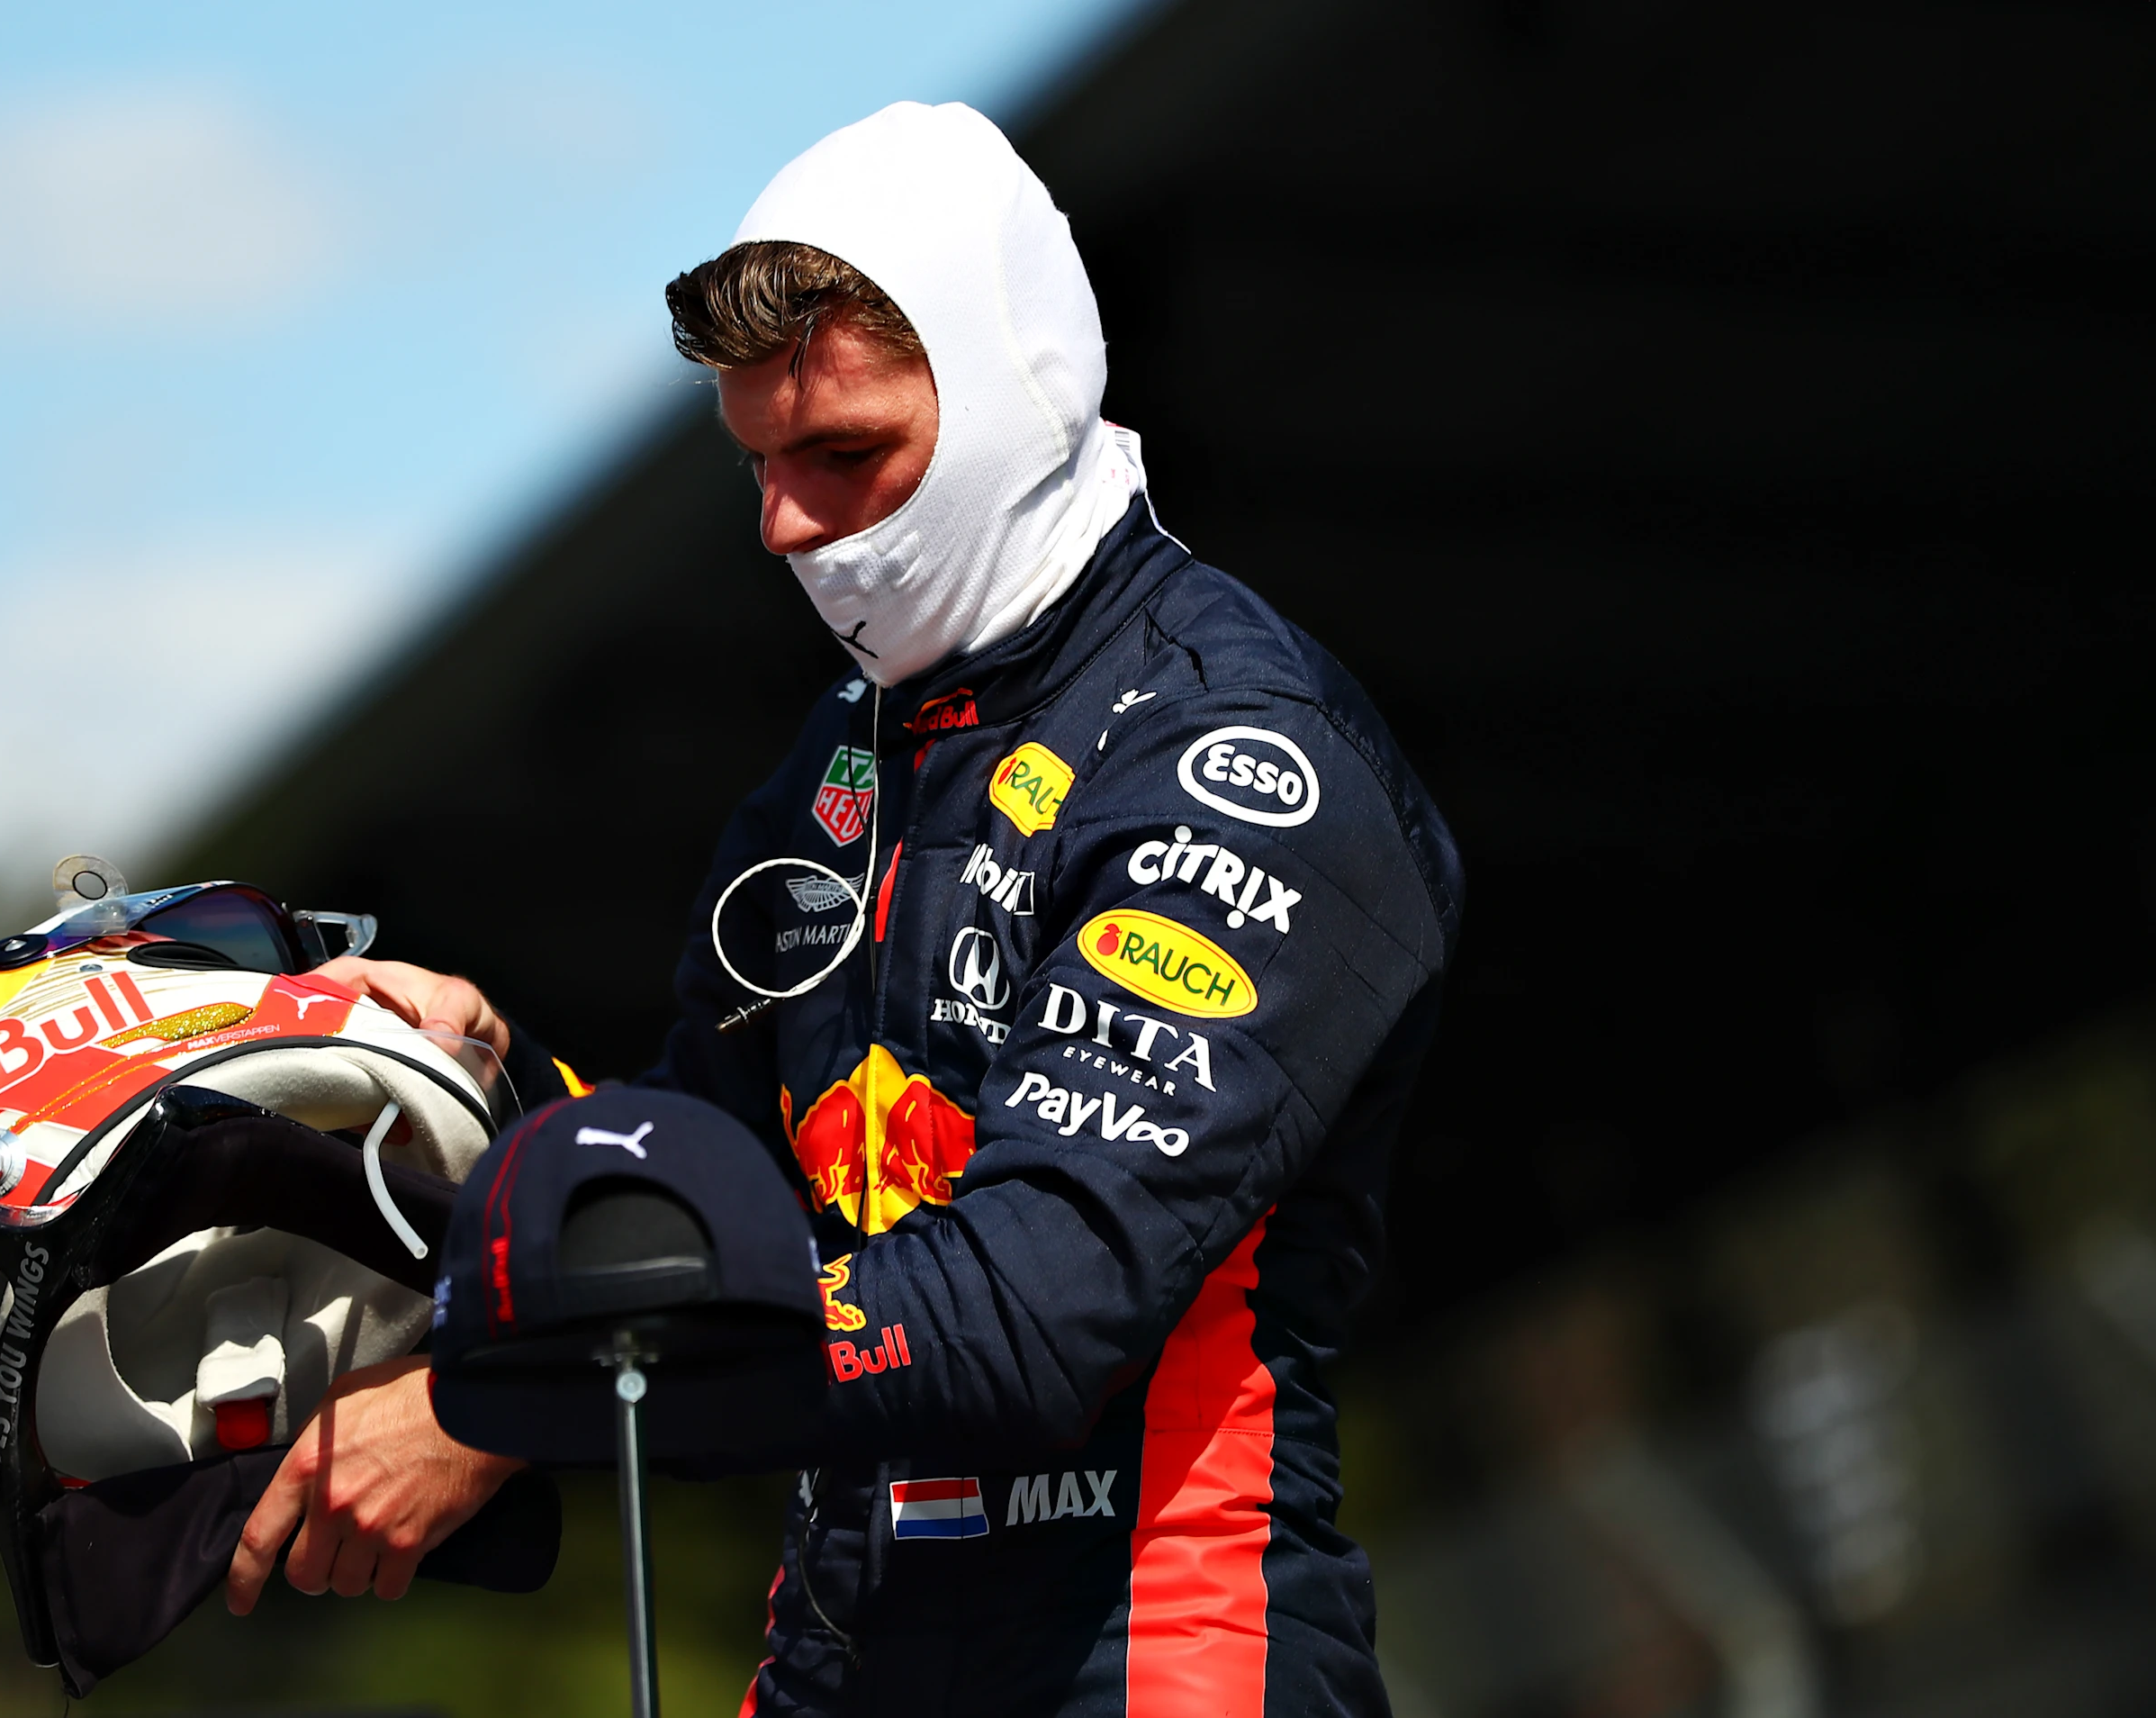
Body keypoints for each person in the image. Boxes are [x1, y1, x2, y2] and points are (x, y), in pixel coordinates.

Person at [226, 101, 1461, 1717]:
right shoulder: (840, 763)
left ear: (1025, 400)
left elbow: (1038, 1308)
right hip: (841, 1658)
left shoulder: (1238, 760)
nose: (784, 525)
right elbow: (722, 1167)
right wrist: (492, 1077)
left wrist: (502, 1403)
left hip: (1150, 1654)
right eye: (758, 464)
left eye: (844, 456)